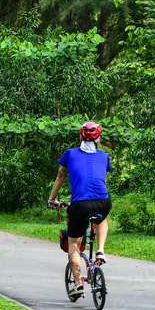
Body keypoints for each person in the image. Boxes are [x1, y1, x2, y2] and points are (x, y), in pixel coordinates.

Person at [48, 121, 112, 297]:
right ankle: (100, 250)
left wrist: (52, 199)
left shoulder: (70, 154)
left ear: (80, 137)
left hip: (79, 205)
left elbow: (60, 178)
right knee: (102, 217)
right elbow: (102, 182)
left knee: (74, 245)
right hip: (103, 202)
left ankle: (78, 284)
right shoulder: (104, 156)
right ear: (98, 140)